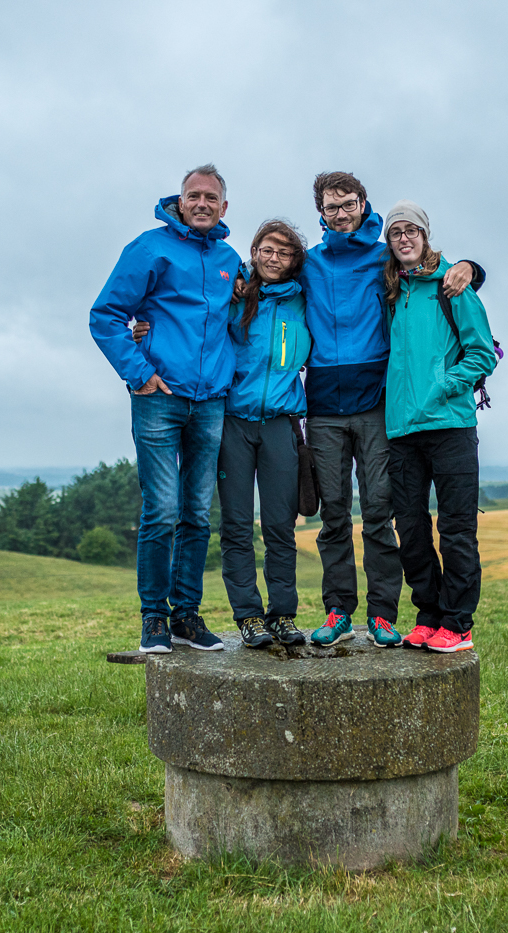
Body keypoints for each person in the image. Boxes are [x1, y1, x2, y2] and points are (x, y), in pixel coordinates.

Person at [299, 171, 484, 648]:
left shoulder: (388, 259)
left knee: (380, 513)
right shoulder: (310, 263)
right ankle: (339, 611)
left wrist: (471, 266)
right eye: (330, 206)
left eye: (348, 203)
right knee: (336, 515)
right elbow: (267, 277)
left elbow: (436, 269)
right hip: (326, 402)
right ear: (320, 211)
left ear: (364, 204)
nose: (340, 213)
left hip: (380, 405)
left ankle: (384, 614)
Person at [89, 164, 240, 655]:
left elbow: (244, 315)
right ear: (179, 201)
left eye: (210, 197)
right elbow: (106, 315)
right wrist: (139, 373)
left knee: (198, 513)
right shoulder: (149, 248)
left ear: (223, 206)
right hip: (159, 398)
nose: (201, 203)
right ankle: (153, 617)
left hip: (212, 401)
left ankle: (187, 617)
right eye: (192, 195)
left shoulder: (229, 258)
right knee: (163, 510)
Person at [380, 200, 497, 653]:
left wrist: (447, 384)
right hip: (403, 431)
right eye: (396, 233)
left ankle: (457, 622)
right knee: (409, 531)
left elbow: (483, 352)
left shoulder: (453, 286)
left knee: (456, 531)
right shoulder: (392, 290)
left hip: (450, 426)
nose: (404, 238)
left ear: (425, 236)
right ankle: (428, 615)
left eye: (411, 230)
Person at [216, 220, 312, 648]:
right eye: (266, 249)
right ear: (253, 251)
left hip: (281, 425)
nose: (274, 258)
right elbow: (189, 318)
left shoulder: (305, 300)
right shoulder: (232, 294)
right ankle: (248, 615)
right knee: (237, 525)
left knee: (279, 525)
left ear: (295, 261)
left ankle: (283, 614)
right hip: (233, 423)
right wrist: (144, 329)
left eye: (284, 252)